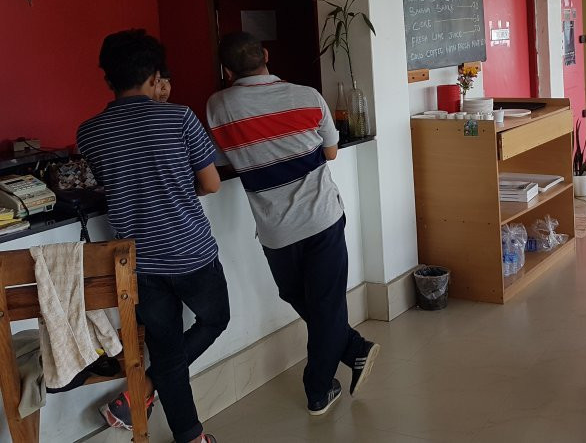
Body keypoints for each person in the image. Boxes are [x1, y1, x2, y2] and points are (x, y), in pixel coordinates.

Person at [206, 31, 379, 416]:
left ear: (227, 70)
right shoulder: (307, 96)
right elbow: (330, 152)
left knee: (307, 298)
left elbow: (220, 160)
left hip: (275, 231)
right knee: (325, 304)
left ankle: (322, 383)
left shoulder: (218, 106)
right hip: (322, 217)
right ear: (266, 55)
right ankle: (348, 356)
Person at [76, 30, 228, 443]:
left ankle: (189, 435)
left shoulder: (89, 132)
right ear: (154, 76)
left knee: (164, 346)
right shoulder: (179, 118)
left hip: (137, 262)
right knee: (216, 319)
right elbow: (211, 183)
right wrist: (177, 187)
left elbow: (112, 185)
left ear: (108, 78)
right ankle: (146, 387)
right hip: (191, 252)